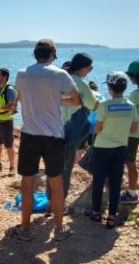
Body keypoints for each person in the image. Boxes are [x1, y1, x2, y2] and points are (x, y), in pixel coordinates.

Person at [9, 39, 80, 241]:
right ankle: (59, 229)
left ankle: (25, 229)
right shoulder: (60, 74)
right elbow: (75, 100)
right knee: (56, 183)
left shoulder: (22, 73)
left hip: (30, 134)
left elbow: (19, 97)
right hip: (54, 136)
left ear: (35, 54)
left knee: (27, 182)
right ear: (53, 54)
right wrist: (56, 98)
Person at [47, 53, 99, 215]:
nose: (89, 70)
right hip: (72, 132)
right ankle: (60, 207)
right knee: (66, 169)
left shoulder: (61, 79)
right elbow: (93, 105)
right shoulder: (81, 83)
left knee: (53, 167)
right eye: (90, 68)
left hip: (54, 128)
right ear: (83, 68)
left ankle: (49, 204)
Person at [90, 72, 138, 229]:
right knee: (116, 182)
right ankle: (111, 216)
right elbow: (133, 129)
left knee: (98, 180)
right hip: (120, 148)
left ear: (110, 88)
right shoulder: (131, 106)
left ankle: (96, 213)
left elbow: (97, 129)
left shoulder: (104, 106)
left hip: (102, 148)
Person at [122, 60, 139, 203]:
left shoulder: (135, 94)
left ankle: (132, 193)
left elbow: (128, 115)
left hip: (133, 134)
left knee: (130, 163)